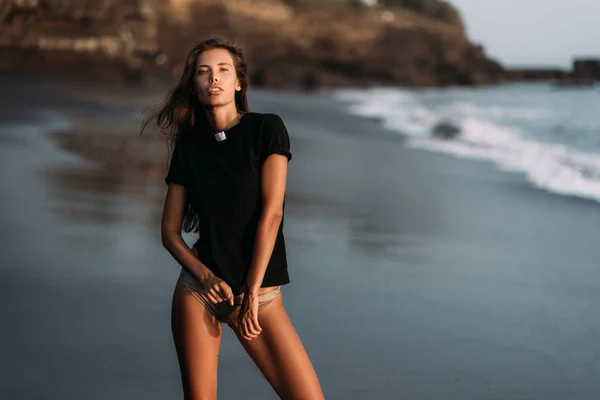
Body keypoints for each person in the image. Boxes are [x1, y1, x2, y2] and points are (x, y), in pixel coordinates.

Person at [142, 37, 325, 400]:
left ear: (238, 82)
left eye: (223, 70)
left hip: (260, 297)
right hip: (200, 292)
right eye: (204, 72)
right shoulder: (189, 147)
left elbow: (272, 214)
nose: (214, 78)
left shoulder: (265, 129)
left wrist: (253, 292)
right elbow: (169, 232)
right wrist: (205, 276)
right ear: (193, 84)